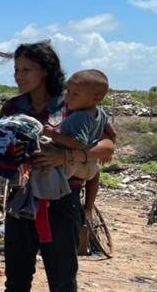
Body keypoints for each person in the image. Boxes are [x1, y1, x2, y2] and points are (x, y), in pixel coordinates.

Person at [0, 43, 116, 292]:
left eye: (26, 70)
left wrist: (64, 155)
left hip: (62, 202)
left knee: (63, 282)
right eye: (17, 70)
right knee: (17, 279)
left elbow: (108, 147)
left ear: (45, 71)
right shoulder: (13, 107)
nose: (19, 76)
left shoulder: (72, 103)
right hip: (21, 201)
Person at [44, 69, 110, 254]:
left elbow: (79, 143)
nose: (68, 97)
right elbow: (111, 134)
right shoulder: (101, 113)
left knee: (48, 173)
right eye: (68, 91)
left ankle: (47, 202)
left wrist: (53, 135)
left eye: (75, 94)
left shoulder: (79, 116)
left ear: (95, 98)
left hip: (73, 165)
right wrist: (107, 147)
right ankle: (87, 210)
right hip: (89, 167)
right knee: (94, 175)